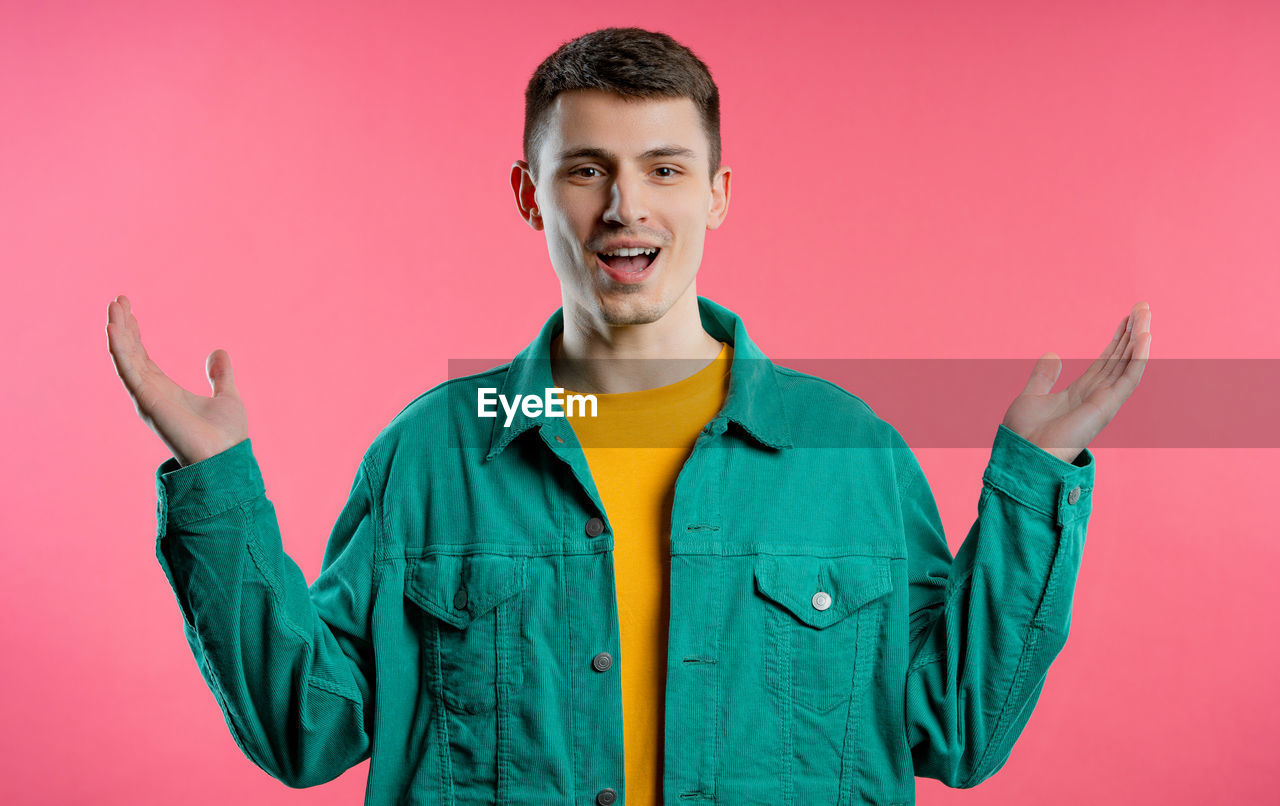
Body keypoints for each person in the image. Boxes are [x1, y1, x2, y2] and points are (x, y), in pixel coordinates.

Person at [106, 26, 1152, 806]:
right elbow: (308, 725)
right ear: (528, 195)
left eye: (663, 168)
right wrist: (215, 488)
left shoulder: (850, 450)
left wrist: (1033, 480)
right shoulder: (432, 449)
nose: (625, 208)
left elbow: (955, 728)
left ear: (718, 192)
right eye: (584, 170)